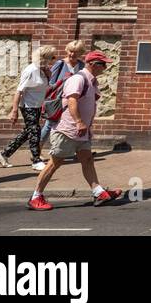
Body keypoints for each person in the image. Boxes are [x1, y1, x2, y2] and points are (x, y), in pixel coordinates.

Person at [29, 50, 123, 211]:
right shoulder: (78, 79)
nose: (105, 68)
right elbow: (72, 101)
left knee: (87, 160)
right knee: (54, 163)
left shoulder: (91, 81)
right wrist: (79, 122)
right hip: (67, 130)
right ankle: (35, 196)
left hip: (82, 131)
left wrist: (87, 126)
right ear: (92, 64)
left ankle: (98, 192)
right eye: (103, 64)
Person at [0, 45, 55, 172]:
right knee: (35, 132)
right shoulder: (31, 70)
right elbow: (19, 91)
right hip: (28, 106)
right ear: (44, 58)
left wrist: (49, 76)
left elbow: (45, 89)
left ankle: (3, 154)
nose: (53, 60)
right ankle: (36, 160)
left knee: (28, 132)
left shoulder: (43, 70)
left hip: (37, 105)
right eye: (52, 57)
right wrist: (14, 110)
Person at [40, 40, 84, 147]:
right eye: (70, 51)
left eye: (76, 52)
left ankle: (73, 149)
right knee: (49, 124)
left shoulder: (81, 65)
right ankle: (37, 151)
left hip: (74, 99)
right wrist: (63, 82)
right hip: (58, 100)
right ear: (67, 50)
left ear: (81, 53)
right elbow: (51, 83)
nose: (72, 54)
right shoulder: (60, 64)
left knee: (73, 123)